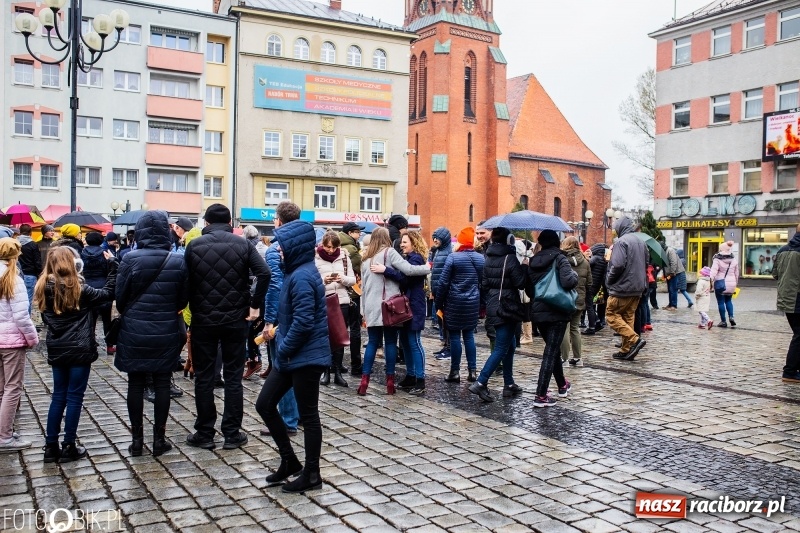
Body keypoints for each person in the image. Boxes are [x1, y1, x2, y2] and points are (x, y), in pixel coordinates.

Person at [184, 204, 270, 450]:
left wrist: (187, 305)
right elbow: (264, 273)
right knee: (233, 377)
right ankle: (232, 433)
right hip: (235, 319)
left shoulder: (194, 246)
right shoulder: (242, 244)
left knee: (204, 376)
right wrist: (254, 304)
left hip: (203, 319)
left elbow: (185, 280)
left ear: (207, 223)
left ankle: (204, 432)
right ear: (230, 222)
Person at [255, 219, 329, 493]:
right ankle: (290, 461)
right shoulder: (296, 272)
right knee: (264, 404)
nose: (279, 250)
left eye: (283, 246)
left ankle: (312, 474)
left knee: (309, 416)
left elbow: (304, 322)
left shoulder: (301, 276)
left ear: (295, 247)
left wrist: (283, 349)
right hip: (293, 354)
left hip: (304, 357)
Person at [115, 211, 189, 457]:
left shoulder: (129, 259)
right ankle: (159, 439)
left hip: (135, 329)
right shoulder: (177, 260)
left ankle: (137, 441)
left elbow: (121, 297)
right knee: (161, 383)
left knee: (135, 383)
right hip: (165, 328)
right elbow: (183, 299)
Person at [35, 246, 117, 463]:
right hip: (80, 348)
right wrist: (113, 268)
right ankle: (69, 444)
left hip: (58, 347)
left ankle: (50, 446)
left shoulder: (43, 286)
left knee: (58, 395)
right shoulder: (78, 288)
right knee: (74, 397)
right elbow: (107, 294)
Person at [358, 228, 431, 396]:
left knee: (372, 343)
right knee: (391, 343)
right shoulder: (389, 253)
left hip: (370, 306)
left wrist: (363, 311)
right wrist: (427, 267)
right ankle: (390, 383)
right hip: (389, 307)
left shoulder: (365, 259)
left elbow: (363, 287)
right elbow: (409, 270)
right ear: (387, 238)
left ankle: (364, 381)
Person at [260, 202, 303, 437]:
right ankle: (299, 415)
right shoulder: (304, 246)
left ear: (278, 220)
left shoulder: (275, 250)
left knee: (282, 368)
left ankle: (287, 420)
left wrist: (268, 320)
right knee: (298, 368)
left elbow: (274, 286)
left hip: (282, 317)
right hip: (300, 312)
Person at [469, 228, 525, 402]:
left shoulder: (488, 258)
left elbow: (484, 284)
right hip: (507, 307)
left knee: (511, 344)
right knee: (502, 347)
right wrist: (523, 268)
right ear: (509, 240)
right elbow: (520, 283)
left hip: (494, 304)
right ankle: (481, 382)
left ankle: (508, 383)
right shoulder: (510, 259)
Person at [526, 230, 578, 407]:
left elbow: (529, 289)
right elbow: (567, 282)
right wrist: (575, 276)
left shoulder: (533, 260)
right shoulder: (560, 258)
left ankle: (562, 385)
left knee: (552, 349)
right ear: (556, 242)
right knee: (550, 352)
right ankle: (541, 395)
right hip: (557, 310)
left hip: (538, 312)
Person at [0, 238, 39, 452]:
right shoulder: (13, 279)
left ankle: (2, 430)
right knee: (12, 388)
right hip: (11, 342)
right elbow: (22, 316)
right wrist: (32, 338)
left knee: (1, 389)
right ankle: (5, 437)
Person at [437, 227, 484, 384]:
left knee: (455, 336)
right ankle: (472, 371)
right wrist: (481, 303)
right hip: (472, 301)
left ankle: (455, 371)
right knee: (469, 336)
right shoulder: (480, 258)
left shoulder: (453, 258)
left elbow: (443, 282)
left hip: (454, 302)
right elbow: (483, 283)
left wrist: (439, 303)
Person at [385, 231, 429, 395]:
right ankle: (411, 376)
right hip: (409, 304)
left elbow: (405, 279)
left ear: (414, 243)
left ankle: (420, 379)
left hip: (414, 305)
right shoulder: (410, 258)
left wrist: (386, 270)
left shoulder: (415, 258)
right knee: (406, 341)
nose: (402, 245)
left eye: (405, 242)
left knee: (414, 342)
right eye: (402, 242)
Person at [314, 231, 355, 387]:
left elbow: (352, 279)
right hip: (324, 300)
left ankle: (337, 371)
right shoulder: (315, 257)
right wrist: (324, 280)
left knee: (339, 338)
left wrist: (342, 279)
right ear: (322, 245)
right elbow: (312, 280)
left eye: (333, 247)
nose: (330, 250)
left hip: (342, 300)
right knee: (325, 336)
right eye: (327, 247)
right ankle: (326, 371)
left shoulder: (344, 256)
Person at [605, 216, 649, 361]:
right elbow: (646, 263)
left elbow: (617, 265)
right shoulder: (641, 242)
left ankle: (634, 340)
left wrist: (609, 280)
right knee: (628, 317)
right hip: (637, 287)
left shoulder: (621, 242)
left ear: (620, 227)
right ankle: (626, 349)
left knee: (611, 315)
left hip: (622, 287)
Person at [773, 225, 800, 382]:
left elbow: (775, 274)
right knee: (799, 335)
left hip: (786, 298)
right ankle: (789, 371)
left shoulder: (782, 250)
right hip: (797, 298)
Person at [560, 237, 592, 367]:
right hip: (579, 299)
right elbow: (590, 283)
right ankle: (578, 358)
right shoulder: (585, 261)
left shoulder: (562, 260)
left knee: (564, 329)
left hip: (565, 299)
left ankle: (564, 359)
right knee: (575, 328)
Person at [81, 232, 114, 354]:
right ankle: (110, 346)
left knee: (90, 319)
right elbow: (110, 270)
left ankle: (91, 343)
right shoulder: (104, 253)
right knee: (107, 319)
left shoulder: (82, 254)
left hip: (87, 287)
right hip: (104, 287)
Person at [338, 222, 364, 376]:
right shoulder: (352, 249)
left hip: (339, 294)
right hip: (352, 293)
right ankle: (356, 365)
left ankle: (336, 365)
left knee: (339, 329)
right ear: (349, 233)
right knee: (355, 329)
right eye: (357, 232)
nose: (359, 234)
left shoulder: (337, 244)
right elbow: (359, 268)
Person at [243, 225, 267, 379]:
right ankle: (254, 360)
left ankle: (254, 360)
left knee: (250, 330)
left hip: (255, 294)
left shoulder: (245, 249)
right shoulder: (265, 247)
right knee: (253, 330)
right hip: (262, 293)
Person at [430, 227, 453, 358]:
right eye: (434, 238)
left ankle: (449, 348)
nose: (435, 240)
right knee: (441, 321)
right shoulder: (438, 251)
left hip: (444, 293)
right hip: (438, 291)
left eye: (437, 238)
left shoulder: (448, 252)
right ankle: (445, 345)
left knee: (446, 322)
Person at [709, 240, 740, 328]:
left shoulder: (717, 259)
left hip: (720, 283)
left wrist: (710, 281)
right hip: (732, 283)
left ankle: (723, 321)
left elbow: (713, 271)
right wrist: (735, 283)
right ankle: (731, 316)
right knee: (729, 301)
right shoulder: (733, 259)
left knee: (721, 302)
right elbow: (737, 273)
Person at [17, 224, 42, 316]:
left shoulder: (15, 243)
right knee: (27, 298)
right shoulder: (33, 245)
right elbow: (37, 261)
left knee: (17, 299)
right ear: (30, 233)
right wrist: (40, 274)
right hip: (30, 274)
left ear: (20, 231)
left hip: (17, 273)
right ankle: (26, 319)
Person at [584, 243, 607, 334]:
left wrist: (586, 258)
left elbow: (587, 265)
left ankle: (592, 327)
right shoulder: (603, 260)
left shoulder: (596, 258)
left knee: (589, 306)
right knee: (590, 305)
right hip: (597, 285)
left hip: (591, 285)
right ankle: (597, 321)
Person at [663, 244, 692, 310]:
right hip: (669, 274)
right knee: (670, 290)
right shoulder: (664, 252)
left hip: (674, 273)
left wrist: (672, 273)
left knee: (673, 289)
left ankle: (673, 305)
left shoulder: (670, 251)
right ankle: (670, 304)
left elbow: (674, 262)